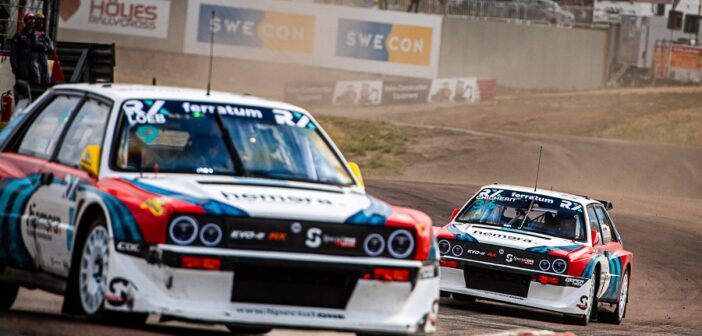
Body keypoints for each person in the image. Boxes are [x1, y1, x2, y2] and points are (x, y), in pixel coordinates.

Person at [10, 13, 37, 102]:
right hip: (22, 68)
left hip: (33, 69)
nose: (32, 22)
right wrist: (15, 66)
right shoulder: (19, 35)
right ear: (26, 22)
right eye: (30, 20)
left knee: (33, 91)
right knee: (21, 90)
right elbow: (13, 52)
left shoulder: (36, 36)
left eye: (33, 20)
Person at [34, 13, 54, 85]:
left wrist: (45, 46)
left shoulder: (45, 35)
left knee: (45, 75)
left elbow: (51, 47)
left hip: (44, 57)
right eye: (38, 20)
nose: (40, 22)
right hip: (35, 57)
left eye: (42, 21)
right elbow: (35, 44)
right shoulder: (32, 34)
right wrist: (44, 45)